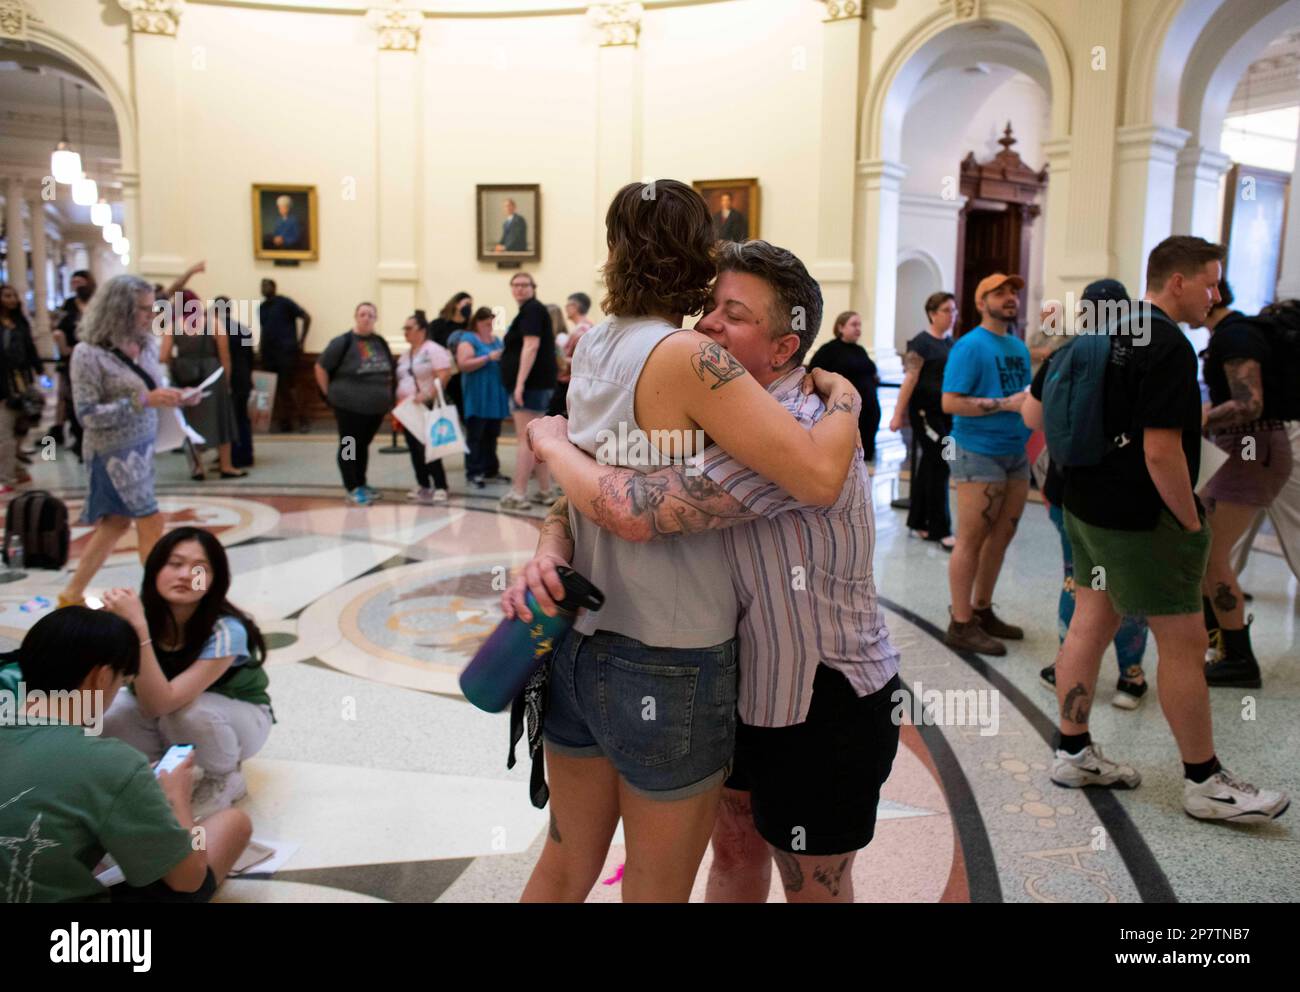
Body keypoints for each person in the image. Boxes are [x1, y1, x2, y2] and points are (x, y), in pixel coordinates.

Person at [499, 180, 860, 903]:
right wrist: (845, 391)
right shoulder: (692, 357)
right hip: (670, 656)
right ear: (700, 257)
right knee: (658, 891)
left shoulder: (593, 344)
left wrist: (548, 506)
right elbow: (820, 473)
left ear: (612, 253)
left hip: (579, 642)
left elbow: (584, 481)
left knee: (564, 865)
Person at [1048, 235, 1287, 822]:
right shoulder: (1168, 345)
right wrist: (1188, 519)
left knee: (1089, 620)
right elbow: (1161, 452)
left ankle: (1073, 751)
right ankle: (1204, 781)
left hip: (1083, 502)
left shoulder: (1106, 329)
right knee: (1182, 642)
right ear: (1175, 282)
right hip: (1140, 515)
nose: (1216, 294)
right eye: (1209, 281)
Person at [0, 606, 252, 902]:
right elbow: (188, 879)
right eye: (122, 681)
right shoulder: (110, 761)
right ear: (102, 677)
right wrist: (176, 799)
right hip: (78, 946)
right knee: (233, 825)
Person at [1022, 279, 1151, 709]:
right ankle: (1131, 676)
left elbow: (1032, 416)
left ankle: (1069, 666)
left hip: (1070, 487)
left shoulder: (1066, 353)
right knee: (1129, 583)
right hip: (1130, 493)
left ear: (1085, 313)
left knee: (1077, 578)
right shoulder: (1146, 353)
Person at [101, 526, 272, 818]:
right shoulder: (140, 615)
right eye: (174, 563)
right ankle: (154, 770)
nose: (184, 575)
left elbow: (162, 703)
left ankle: (225, 778)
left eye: (199, 568)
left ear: (215, 580)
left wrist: (138, 629)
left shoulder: (227, 630)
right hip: (169, 716)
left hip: (239, 719)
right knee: (110, 713)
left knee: (186, 712)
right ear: (155, 568)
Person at [58, 275, 199, 609]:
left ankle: (71, 593)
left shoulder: (146, 345)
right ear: (119, 309)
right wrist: (143, 402)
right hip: (112, 453)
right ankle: (159, 600)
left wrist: (177, 396)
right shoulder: (88, 354)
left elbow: (150, 390)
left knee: (116, 523)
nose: (151, 315)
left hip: (143, 445)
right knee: (150, 520)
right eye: (144, 309)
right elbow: (87, 415)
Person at [1196, 280, 1293, 688]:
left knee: (1212, 555)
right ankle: (1215, 644)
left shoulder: (1235, 336)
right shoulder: (1236, 333)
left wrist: (1199, 418)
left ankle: (1237, 657)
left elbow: (1249, 404)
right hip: (1251, 446)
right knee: (1206, 549)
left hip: (1251, 446)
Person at [939, 273, 1032, 655]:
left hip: (1015, 450)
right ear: (981, 302)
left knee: (1003, 535)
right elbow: (950, 402)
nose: (1010, 298)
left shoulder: (1017, 346)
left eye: (1013, 292)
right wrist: (1002, 404)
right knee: (972, 538)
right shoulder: (970, 346)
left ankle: (982, 608)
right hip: (977, 451)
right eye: (1000, 292)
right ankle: (961, 624)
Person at [1229, 298, 1300, 591]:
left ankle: (1214, 598)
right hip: (1290, 436)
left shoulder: (1252, 338)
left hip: (1254, 435)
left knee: (1232, 531)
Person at [891, 292, 956, 547]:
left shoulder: (952, 344)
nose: (952, 316)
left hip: (946, 413)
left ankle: (918, 521)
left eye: (954, 310)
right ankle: (941, 529)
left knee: (934, 464)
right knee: (940, 462)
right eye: (947, 310)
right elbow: (910, 379)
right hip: (924, 414)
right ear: (932, 313)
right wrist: (898, 413)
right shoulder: (918, 344)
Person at [314, 302, 395, 506]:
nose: (366, 318)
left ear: (376, 319)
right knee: (349, 445)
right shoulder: (343, 342)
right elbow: (320, 367)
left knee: (362, 446)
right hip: (348, 407)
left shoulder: (380, 342)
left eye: (371, 315)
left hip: (374, 409)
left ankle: (361, 482)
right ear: (356, 317)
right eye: (362, 314)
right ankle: (352, 487)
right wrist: (328, 395)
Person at [160, 288, 243, 480]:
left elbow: (163, 356)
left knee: (190, 422)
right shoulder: (213, 323)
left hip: (184, 377)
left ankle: (197, 468)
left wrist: (179, 363)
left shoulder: (173, 326)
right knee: (222, 419)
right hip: (213, 375)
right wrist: (226, 382)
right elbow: (225, 356)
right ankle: (226, 466)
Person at [498, 273, 559, 510]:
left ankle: (518, 493)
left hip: (531, 385)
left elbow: (531, 346)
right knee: (536, 439)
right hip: (536, 384)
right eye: (516, 285)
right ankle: (545, 491)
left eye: (525, 285)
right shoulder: (529, 311)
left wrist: (520, 383)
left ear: (533, 288)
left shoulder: (532, 310)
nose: (520, 289)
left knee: (526, 439)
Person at [809, 312, 882, 462]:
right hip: (845, 412)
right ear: (841, 327)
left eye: (859, 325)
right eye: (854, 325)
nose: (858, 329)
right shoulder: (829, 349)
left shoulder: (860, 350)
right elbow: (813, 373)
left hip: (869, 410)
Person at [396, 309, 452, 504]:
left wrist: (427, 394)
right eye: (404, 328)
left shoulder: (433, 349)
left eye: (409, 328)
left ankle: (441, 485)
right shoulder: (406, 355)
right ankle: (423, 483)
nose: (405, 331)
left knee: (429, 446)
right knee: (413, 447)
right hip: (407, 408)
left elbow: (444, 375)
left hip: (426, 406)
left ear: (422, 330)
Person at [457, 306, 509, 488]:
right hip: (477, 394)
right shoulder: (468, 339)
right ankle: (473, 471)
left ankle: (491, 470)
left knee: (492, 434)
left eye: (491, 323)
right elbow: (463, 364)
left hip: (494, 394)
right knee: (475, 435)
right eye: (486, 323)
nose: (490, 326)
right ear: (477, 322)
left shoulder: (496, 340)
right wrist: (488, 357)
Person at [0, 283, 43, 495]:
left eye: (13, 295)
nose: (11, 299)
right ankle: (7, 476)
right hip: (3, 385)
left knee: (19, 430)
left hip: (22, 383)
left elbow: (30, 349)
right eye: (6, 295)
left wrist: (39, 371)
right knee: (4, 433)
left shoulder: (20, 322)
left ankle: (17, 469)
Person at [258, 279, 312, 433]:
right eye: (262, 286)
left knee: (289, 387)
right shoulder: (261, 308)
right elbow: (264, 329)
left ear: (274, 287)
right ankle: (284, 421)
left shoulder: (285, 302)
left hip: (286, 351)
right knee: (274, 388)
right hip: (269, 353)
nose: (264, 288)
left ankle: (303, 419)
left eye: (267, 285)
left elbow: (307, 317)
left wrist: (301, 342)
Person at [54, 269, 95, 454]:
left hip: (94, 356)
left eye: (80, 282)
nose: (77, 286)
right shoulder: (69, 305)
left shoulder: (96, 302)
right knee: (71, 398)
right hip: (72, 357)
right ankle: (77, 437)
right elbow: (58, 328)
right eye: (74, 282)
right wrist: (64, 348)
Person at [213, 295, 256, 468]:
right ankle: (246, 453)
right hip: (243, 378)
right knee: (242, 418)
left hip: (223, 378)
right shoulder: (244, 330)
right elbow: (250, 357)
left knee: (225, 420)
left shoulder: (213, 330)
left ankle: (228, 456)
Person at [548, 292, 593, 417]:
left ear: (574, 306)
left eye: (567, 305)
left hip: (570, 382)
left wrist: (560, 359)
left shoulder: (583, 330)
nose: (565, 308)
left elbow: (586, 361)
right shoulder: (582, 329)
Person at [430, 291, 472, 420]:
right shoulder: (439, 324)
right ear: (456, 304)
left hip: (464, 374)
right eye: (466, 304)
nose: (469, 308)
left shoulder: (470, 326)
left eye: (471, 305)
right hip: (445, 372)